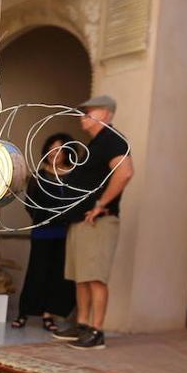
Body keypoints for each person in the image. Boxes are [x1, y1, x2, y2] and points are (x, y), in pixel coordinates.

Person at [52, 95, 133, 350]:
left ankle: (97, 331)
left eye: (88, 113)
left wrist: (100, 204)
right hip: (81, 221)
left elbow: (125, 172)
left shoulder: (113, 140)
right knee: (81, 277)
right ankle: (83, 325)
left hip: (99, 221)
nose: (82, 117)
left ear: (106, 114)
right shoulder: (95, 144)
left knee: (95, 277)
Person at [13, 132, 77, 332]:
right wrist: (43, 218)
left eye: (58, 150)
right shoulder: (38, 176)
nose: (53, 154)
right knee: (36, 272)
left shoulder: (74, 176)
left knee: (57, 275)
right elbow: (30, 204)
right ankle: (23, 313)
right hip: (42, 231)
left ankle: (48, 315)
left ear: (67, 152)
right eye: (51, 150)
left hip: (64, 233)